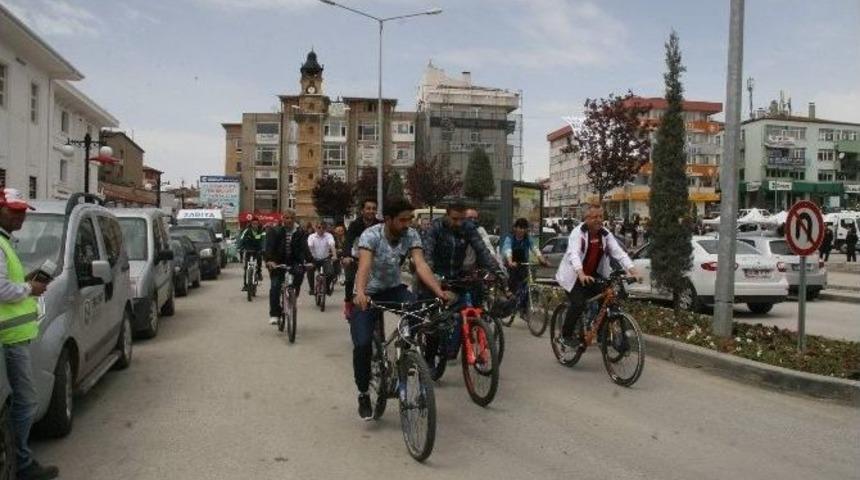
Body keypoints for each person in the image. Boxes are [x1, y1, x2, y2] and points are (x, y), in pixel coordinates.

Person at [351, 198, 451, 420]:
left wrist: (438, 291)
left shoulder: (411, 235)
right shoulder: (371, 235)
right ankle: (363, 393)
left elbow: (421, 264)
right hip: (367, 294)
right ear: (388, 219)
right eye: (402, 220)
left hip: (394, 289)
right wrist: (360, 292)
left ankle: (406, 358)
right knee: (363, 344)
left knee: (421, 316)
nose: (407, 224)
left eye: (410, 219)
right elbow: (364, 265)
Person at [0, 188, 59, 480]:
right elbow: (1, 290)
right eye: (14, 210)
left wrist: (23, 282)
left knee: (19, 401)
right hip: (8, 339)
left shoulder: (6, 243)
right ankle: (20, 462)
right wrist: (29, 289)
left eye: (23, 210)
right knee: (25, 402)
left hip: (15, 336)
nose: (20, 216)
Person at [423, 204, 504, 359]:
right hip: (436, 277)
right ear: (446, 215)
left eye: (462, 219)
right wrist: (432, 275)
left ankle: (458, 343)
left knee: (466, 308)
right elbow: (428, 253)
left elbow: (482, 250)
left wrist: (497, 271)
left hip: (458, 276)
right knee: (436, 320)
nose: (459, 223)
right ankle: (429, 360)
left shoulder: (468, 228)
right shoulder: (435, 228)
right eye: (455, 219)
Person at [555, 204, 638, 350]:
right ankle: (565, 335)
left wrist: (632, 270)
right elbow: (573, 254)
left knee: (609, 298)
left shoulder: (605, 234)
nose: (598, 220)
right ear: (586, 218)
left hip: (592, 275)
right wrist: (580, 273)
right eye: (595, 217)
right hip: (574, 276)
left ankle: (602, 334)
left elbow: (618, 252)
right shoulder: (578, 233)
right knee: (578, 303)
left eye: (601, 216)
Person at [264, 209, 310, 325]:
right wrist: (269, 261)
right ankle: (274, 314)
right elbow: (269, 247)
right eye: (286, 218)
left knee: (299, 273)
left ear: (294, 219)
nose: (288, 220)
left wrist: (310, 261)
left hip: (294, 261)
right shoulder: (274, 231)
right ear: (282, 218)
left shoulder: (300, 232)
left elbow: (305, 248)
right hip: (277, 262)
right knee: (275, 287)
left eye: (290, 218)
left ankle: (294, 294)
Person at [341, 199, 380, 320]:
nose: (371, 211)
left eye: (374, 208)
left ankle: (378, 308)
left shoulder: (380, 225)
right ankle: (348, 304)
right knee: (350, 280)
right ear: (362, 210)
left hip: (374, 260)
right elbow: (348, 241)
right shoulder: (355, 225)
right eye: (368, 208)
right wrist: (347, 256)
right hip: (356, 259)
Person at [306, 221, 337, 296]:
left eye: (323, 228)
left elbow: (332, 245)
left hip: (325, 259)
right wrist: (308, 259)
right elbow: (309, 247)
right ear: (315, 228)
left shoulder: (329, 236)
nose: (321, 229)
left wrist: (334, 255)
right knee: (310, 269)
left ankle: (326, 287)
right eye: (319, 227)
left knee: (331, 273)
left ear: (325, 229)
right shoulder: (311, 237)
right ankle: (312, 289)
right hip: (314, 259)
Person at [238, 217, 265, 290]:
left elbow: (264, 240)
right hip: (248, 250)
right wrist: (239, 247)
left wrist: (264, 248)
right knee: (246, 268)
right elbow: (241, 239)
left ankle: (259, 272)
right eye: (253, 224)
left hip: (258, 250)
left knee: (259, 259)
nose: (255, 225)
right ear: (251, 224)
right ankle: (245, 285)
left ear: (258, 224)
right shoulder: (247, 231)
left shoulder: (261, 231)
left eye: (256, 224)